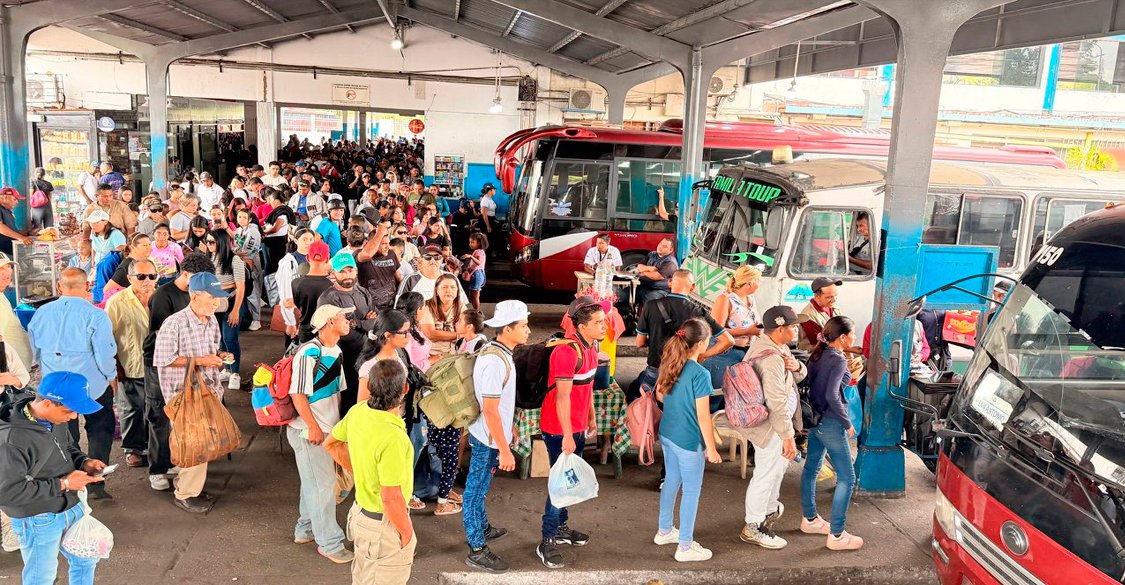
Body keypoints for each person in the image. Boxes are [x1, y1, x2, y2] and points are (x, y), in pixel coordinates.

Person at [0, 372, 109, 585]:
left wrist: (84, 461)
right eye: (69, 411)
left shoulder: (54, 418)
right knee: (41, 578)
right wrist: (64, 483)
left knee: (86, 560)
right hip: (38, 518)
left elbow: (67, 447)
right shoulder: (11, 440)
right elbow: (7, 492)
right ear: (48, 403)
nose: (74, 417)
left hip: (72, 504)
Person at [324, 359, 417, 585]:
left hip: (361, 517)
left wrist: (360, 469)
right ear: (405, 389)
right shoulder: (394, 438)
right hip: (383, 527)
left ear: (369, 386)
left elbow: (331, 443)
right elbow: (391, 497)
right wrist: (407, 534)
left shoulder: (358, 412)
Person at [28, 268, 118, 500]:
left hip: (54, 387)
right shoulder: (96, 316)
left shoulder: (41, 313)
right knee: (100, 429)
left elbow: (35, 351)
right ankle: (96, 483)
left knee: (63, 436)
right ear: (87, 286)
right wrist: (111, 376)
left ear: (59, 287)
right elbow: (105, 354)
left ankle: (71, 482)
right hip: (92, 385)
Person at [152, 272, 233, 514]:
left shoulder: (211, 321)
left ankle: (189, 487)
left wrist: (220, 356)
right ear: (195, 296)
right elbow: (163, 360)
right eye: (212, 297)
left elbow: (212, 351)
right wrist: (201, 360)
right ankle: (186, 494)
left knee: (201, 444)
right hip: (183, 395)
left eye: (218, 297)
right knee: (194, 444)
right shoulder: (174, 323)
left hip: (208, 392)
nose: (217, 302)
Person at [536, 297, 606, 568]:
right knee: (560, 485)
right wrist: (567, 434)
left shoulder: (591, 347)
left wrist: (590, 417)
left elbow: (586, 387)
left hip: (576, 426)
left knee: (568, 481)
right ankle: (547, 539)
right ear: (582, 326)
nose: (604, 326)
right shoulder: (566, 352)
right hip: (558, 429)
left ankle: (561, 528)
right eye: (598, 323)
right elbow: (562, 397)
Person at [463, 300, 531, 573]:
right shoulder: (494, 360)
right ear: (507, 328)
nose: (528, 331)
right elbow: (490, 410)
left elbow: (500, 405)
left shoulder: (501, 353)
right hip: (486, 439)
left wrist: (508, 426)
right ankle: (477, 548)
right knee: (474, 492)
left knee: (480, 488)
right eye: (524, 326)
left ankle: (482, 528)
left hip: (491, 434)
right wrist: (504, 449)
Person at [653, 318, 724, 562]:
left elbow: (660, 396)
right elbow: (704, 417)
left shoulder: (670, 361)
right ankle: (685, 546)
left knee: (671, 481)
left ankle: (664, 531)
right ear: (702, 343)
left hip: (668, 432)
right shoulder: (700, 373)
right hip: (689, 440)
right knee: (691, 492)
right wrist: (711, 449)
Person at [287, 304, 354, 564]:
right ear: (329, 322)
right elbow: (297, 394)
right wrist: (313, 427)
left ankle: (304, 529)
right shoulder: (309, 352)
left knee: (314, 483)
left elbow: (336, 394)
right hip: (309, 432)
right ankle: (330, 543)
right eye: (342, 317)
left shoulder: (335, 350)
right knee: (322, 487)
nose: (348, 321)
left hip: (324, 429)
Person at [738, 306, 809, 550]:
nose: (795, 330)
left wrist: (797, 367)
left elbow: (796, 378)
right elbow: (776, 402)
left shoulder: (778, 348)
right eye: (792, 326)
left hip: (776, 426)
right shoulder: (770, 358)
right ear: (780, 329)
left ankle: (768, 511)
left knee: (776, 470)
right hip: (771, 428)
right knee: (766, 474)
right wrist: (787, 436)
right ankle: (753, 526)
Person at [143, 253, 215, 491]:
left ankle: (177, 460)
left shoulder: (199, 297)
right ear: (185, 274)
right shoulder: (163, 296)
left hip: (188, 366)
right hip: (160, 363)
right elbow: (162, 340)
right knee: (160, 415)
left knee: (183, 420)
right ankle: (158, 468)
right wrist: (198, 359)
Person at [801, 315, 864, 551]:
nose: (855, 337)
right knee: (847, 478)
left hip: (815, 420)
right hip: (830, 422)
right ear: (843, 338)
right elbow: (832, 395)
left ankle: (810, 519)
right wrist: (847, 423)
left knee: (811, 469)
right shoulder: (837, 360)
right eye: (853, 334)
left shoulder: (818, 354)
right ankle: (837, 535)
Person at [634, 270, 733, 402]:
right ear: (693, 287)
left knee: (645, 407)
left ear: (670, 282)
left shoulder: (651, 306)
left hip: (655, 371)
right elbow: (728, 340)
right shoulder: (699, 312)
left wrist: (654, 341)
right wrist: (702, 356)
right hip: (684, 373)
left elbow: (640, 342)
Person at [105, 259, 158, 469]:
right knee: (131, 409)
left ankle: (155, 447)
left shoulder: (162, 298)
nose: (147, 281)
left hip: (159, 365)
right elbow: (107, 338)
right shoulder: (117, 302)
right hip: (130, 364)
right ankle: (133, 449)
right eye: (141, 276)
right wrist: (114, 367)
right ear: (129, 278)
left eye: (152, 276)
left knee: (156, 408)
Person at [318, 252, 376, 414]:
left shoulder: (363, 292)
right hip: (342, 358)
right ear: (333, 273)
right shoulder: (329, 298)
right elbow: (340, 332)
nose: (347, 275)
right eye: (342, 272)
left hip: (365, 355)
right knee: (346, 400)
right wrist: (365, 322)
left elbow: (376, 321)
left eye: (350, 270)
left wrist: (356, 323)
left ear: (356, 271)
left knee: (364, 398)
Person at [705, 266, 763, 390]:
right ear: (749, 283)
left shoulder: (750, 298)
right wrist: (747, 331)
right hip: (724, 355)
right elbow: (716, 330)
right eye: (758, 281)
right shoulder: (725, 299)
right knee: (717, 392)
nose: (760, 284)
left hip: (744, 354)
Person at [207, 230, 247, 388]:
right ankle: (227, 368)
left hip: (232, 301)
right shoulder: (210, 258)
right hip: (215, 303)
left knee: (230, 338)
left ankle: (235, 372)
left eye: (212, 242)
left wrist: (235, 310)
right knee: (220, 338)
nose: (209, 245)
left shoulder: (234, 259)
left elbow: (241, 286)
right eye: (207, 242)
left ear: (221, 242)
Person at [288, 241, 334, 343]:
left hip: (305, 334)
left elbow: (294, 310)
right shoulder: (333, 285)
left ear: (307, 258)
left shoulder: (296, 283)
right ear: (327, 258)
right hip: (328, 334)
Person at [395, 244, 468, 306]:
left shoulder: (451, 278)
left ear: (442, 259)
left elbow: (462, 305)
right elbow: (398, 308)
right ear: (420, 259)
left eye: (437, 257)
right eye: (428, 257)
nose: (432, 261)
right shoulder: (410, 280)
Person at [355, 222, 400, 311]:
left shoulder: (391, 254)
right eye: (383, 244)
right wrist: (380, 232)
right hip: (372, 310)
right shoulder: (359, 254)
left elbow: (398, 277)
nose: (388, 247)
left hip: (393, 307)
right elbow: (367, 254)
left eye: (388, 243)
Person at [0, 253, 33, 369]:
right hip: (9, 373)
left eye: (9, 266)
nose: (7, 272)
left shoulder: (1, 295)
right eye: (0, 268)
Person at [798, 277, 843, 352]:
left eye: (835, 295)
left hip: (834, 350)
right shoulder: (808, 316)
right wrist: (849, 349)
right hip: (815, 354)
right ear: (817, 296)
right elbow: (821, 344)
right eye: (829, 297)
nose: (834, 300)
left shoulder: (834, 307)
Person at [636, 238, 678, 303]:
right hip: (644, 287)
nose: (660, 247)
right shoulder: (652, 254)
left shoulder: (670, 262)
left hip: (660, 290)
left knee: (650, 300)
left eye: (664, 246)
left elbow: (657, 276)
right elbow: (639, 266)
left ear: (671, 250)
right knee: (624, 294)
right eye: (660, 244)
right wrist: (650, 268)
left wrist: (643, 273)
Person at [0, 187, 31, 257]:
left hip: (10, 249)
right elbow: (0, 227)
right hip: (3, 253)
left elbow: (11, 229)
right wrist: (21, 237)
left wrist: (27, 233)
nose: (17, 202)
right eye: (15, 199)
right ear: (4, 197)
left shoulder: (7, 210)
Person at [461, 232, 487, 310]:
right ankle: (476, 311)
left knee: (474, 295)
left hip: (477, 274)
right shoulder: (480, 251)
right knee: (474, 295)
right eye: (469, 242)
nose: (470, 244)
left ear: (478, 243)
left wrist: (470, 256)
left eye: (472, 242)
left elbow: (479, 262)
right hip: (478, 274)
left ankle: (477, 312)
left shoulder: (478, 251)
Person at [30, 167, 54, 231]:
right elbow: (50, 196)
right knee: (49, 226)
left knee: (37, 227)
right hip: (47, 205)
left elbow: (31, 195)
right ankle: (49, 235)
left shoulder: (33, 183)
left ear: (35, 174)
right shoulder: (48, 184)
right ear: (44, 175)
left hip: (36, 206)